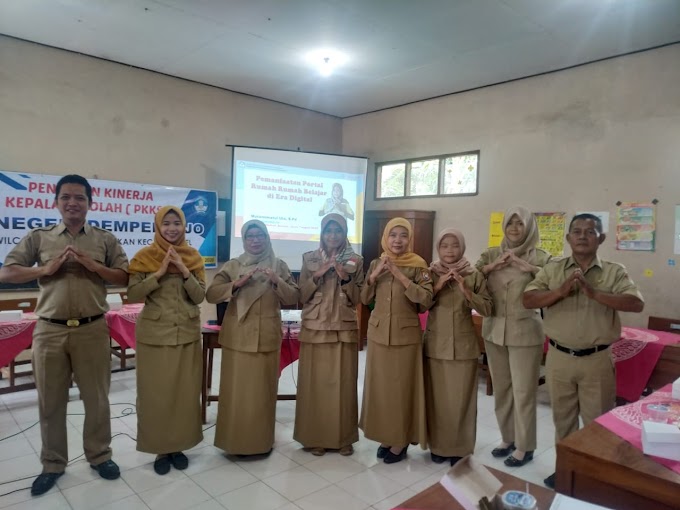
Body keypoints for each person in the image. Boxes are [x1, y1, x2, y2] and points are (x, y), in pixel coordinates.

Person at [0, 175, 129, 496]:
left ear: (90, 203)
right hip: (50, 330)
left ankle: (100, 456)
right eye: (67, 197)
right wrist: (42, 271)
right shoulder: (40, 237)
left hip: (92, 329)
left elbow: (125, 275)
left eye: (80, 198)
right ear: (56, 202)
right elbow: (8, 271)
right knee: (51, 401)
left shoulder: (104, 239)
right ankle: (53, 463)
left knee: (97, 400)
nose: (73, 203)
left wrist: (94, 266)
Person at [523, 213, 644, 489]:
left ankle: (595, 476)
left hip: (597, 360)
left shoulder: (614, 271)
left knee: (597, 423)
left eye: (590, 231)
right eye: (576, 231)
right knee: (562, 421)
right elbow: (528, 299)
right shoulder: (553, 269)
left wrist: (594, 293)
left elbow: (636, 303)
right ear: (568, 238)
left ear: (600, 238)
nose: (582, 236)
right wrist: (560, 291)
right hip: (559, 358)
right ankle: (565, 470)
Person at [206, 220, 299, 456]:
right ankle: (233, 442)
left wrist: (277, 280)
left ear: (267, 238)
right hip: (238, 336)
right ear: (244, 240)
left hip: (266, 336)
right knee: (236, 391)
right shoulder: (234, 265)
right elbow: (212, 294)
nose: (255, 240)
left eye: (260, 235)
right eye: (250, 236)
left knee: (262, 392)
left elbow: (292, 297)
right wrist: (237, 283)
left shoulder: (279, 265)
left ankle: (260, 442)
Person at [127, 206, 206, 475]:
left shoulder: (193, 257)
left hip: (186, 332)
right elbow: (134, 294)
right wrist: (158, 273)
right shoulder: (144, 257)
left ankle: (179, 445)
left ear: (184, 226)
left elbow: (199, 297)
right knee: (156, 395)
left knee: (184, 394)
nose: (172, 228)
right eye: (166, 224)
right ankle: (161, 448)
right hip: (154, 335)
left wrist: (184, 271)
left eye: (177, 223)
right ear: (157, 227)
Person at [475, 206, 550, 468]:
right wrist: (493, 266)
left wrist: (526, 266)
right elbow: (473, 277)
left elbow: (555, 284)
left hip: (525, 332)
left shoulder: (542, 257)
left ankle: (525, 445)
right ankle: (507, 438)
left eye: (520, 224)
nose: (515, 228)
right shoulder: (491, 254)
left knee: (523, 391)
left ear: (529, 227)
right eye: (510, 223)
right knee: (502, 389)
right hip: (494, 330)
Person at [360, 217, 432, 464]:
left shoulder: (419, 265)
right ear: (386, 237)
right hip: (379, 334)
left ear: (409, 238)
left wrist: (400, 276)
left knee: (402, 390)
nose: (398, 240)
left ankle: (401, 440)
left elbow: (425, 302)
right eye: (393, 235)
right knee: (382, 390)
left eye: (403, 235)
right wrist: (374, 276)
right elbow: (364, 297)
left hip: (406, 336)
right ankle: (387, 436)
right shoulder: (375, 263)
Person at [294, 214, 364, 456]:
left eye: (338, 231)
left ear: (345, 234)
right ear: (322, 233)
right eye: (328, 231)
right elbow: (300, 295)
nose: (332, 235)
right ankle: (315, 438)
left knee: (344, 385)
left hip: (343, 329)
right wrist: (317, 274)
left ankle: (343, 438)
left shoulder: (356, 260)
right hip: (315, 327)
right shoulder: (309, 258)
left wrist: (345, 278)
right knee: (315, 385)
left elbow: (360, 298)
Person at [424, 229, 493, 465]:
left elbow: (487, 308)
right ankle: (439, 446)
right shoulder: (429, 273)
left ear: (462, 248)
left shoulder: (473, 274)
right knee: (437, 399)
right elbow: (420, 305)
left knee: (462, 399)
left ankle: (460, 448)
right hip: (435, 345)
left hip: (463, 346)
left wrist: (466, 290)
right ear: (438, 248)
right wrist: (438, 285)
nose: (450, 250)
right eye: (444, 246)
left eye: (455, 245)